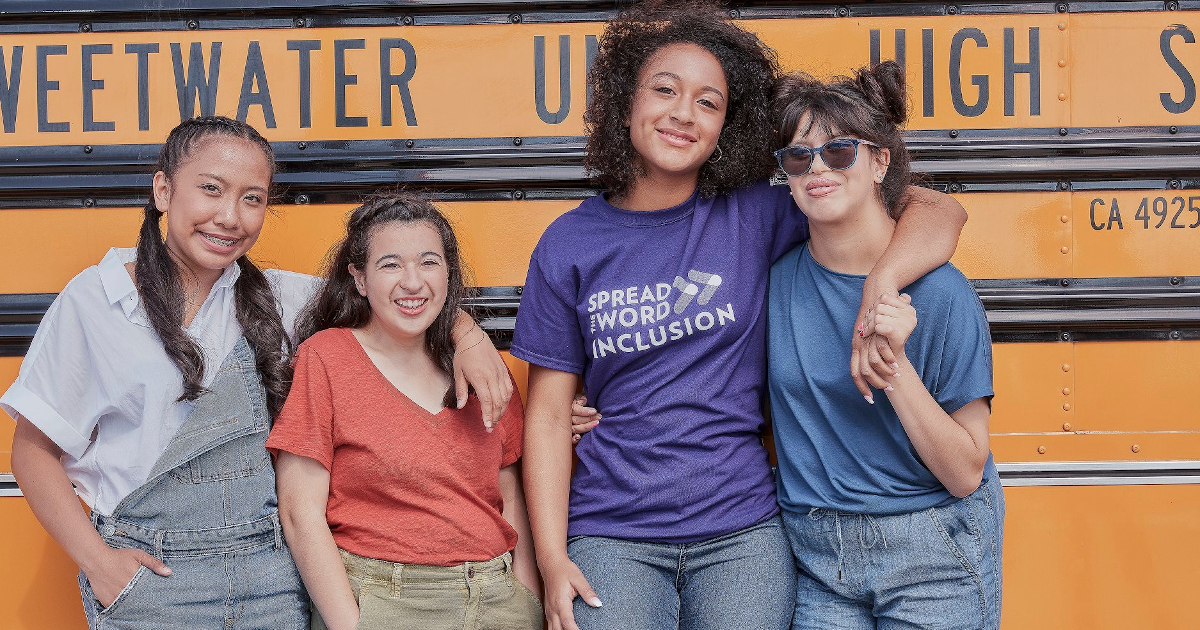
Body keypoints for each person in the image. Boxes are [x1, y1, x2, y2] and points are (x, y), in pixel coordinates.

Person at [512, 2, 969, 630]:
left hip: (741, 532)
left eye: (708, 102)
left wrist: (882, 281)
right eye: (664, 90)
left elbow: (936, 209)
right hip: (611, 531)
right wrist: (550, 557)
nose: (682, 114)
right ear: (626, 101)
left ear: (726, 126)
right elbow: (544, 413)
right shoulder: (570, 242)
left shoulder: (756, 213)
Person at [2, 117, 513, 629]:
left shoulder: (283, 299)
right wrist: (101, 566)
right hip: (153, 583)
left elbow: (396, 294)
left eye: (253, 198)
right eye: (210, 189)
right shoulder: (95, 301)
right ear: (163, 189)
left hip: (271, 581)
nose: (230, 216)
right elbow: (32, 452)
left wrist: (466, 334)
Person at [767, 61, 1003, 630]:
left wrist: (893, 366)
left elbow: (966, 472)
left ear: (879, 162)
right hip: (818, 554)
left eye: (840, 151)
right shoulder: (774, 283)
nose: (818, 168)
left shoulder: (941, 293)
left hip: (931, 548)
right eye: (800, 157)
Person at [267, 193, 542, 630]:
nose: (413, 282)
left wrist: (528, 602)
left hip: (496, 600)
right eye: (390, 264)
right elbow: (300, 514)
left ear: (448, 273)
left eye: (429, 262)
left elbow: (509, 500)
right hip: (384, 600)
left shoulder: (482, 367)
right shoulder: (326, 358)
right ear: (359, 278)